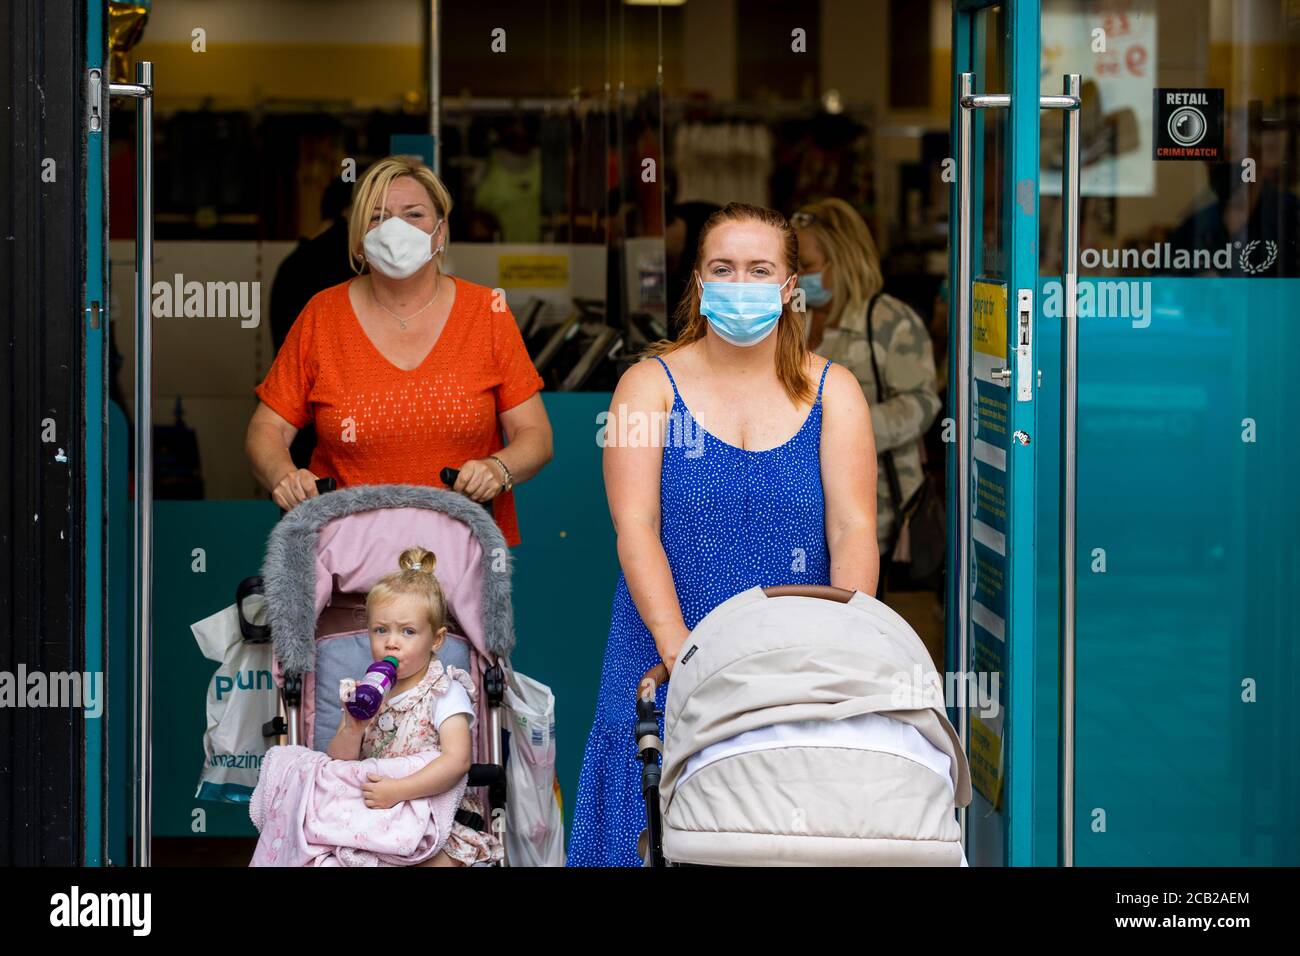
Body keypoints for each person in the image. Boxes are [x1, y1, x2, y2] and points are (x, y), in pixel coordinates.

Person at [567, 202, 879, 866]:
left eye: (760, 269)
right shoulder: (646, 387)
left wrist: (838, 649)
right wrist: (683, 652)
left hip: (794, 672)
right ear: (700, 285)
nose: (741, 284)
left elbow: (854, 527)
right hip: (660, 658)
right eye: (723, 268)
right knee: (648, 837)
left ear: (791, 288)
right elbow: (635, 528)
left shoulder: (834, 391)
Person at [245, 156, 553, 546]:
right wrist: (283, 476)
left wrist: (499, 468)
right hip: (345, 554)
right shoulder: (323, 314)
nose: (395, 229)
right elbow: (266, 428)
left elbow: (536, 435)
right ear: (358, 239)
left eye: (414, 214)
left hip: (461, 553)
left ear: (440, 233)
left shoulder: (486, 311)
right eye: (377, 217)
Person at [792, 198, 941, 577]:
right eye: (792, 266)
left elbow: (922, 403)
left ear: (842, 260)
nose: (796, 276)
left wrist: (843, 429)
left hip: (878, 510)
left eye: (806, 266)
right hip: (803, 507)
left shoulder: (889, 321)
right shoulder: (788, 321)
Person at [326, 547, 502, 866]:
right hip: (377, 815)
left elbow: (457, 761)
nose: (391, 642)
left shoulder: (445, 692)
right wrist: (352, 729)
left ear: (436, 640)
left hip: (434, 812)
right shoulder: (364, 693)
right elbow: (339, 763)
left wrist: (400, 790)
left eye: (408, 632)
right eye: (381, 630)